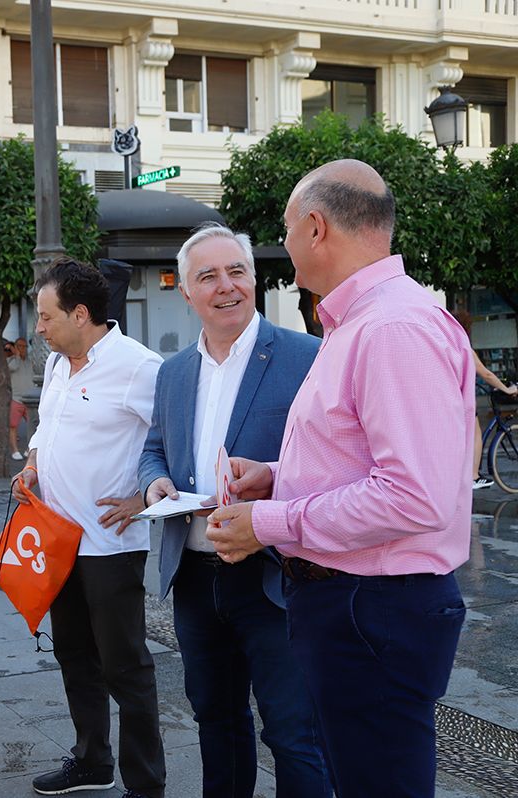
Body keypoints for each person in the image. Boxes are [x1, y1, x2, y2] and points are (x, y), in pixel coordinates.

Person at [208, 160, 475, 798]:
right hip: (355, 601)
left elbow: (416, 496)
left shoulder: (390, 328)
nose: (286, 244)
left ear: (317, 227)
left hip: (372, 604)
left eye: (287, 228)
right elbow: (358, 455)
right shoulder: (362, 322)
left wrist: (268, 522)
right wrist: (276, 477)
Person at [138, 224, 328, 798]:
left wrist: (270, 482)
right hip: (196, 578)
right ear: (186, 293)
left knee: (294, 733)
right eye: (208, 276)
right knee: (215, 721)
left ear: (254, 278)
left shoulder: (307, 356)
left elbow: (332, 462)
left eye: (236, 271)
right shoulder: (172, 373)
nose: (227, 287)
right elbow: (152, 449)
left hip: (276, 575)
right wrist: (156, 486)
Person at [13, 258, 166, 798]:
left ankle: (146, 785)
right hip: (56, 543)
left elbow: (174, 439)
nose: (38, 327)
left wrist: (141, 497)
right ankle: (91, 761)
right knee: (74, 656)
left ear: (80, 315)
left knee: (125, 668)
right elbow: (45, 427)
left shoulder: (140, 366)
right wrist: (31, 464)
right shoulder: (59, 363)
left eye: (45, 316)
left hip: (110, 545)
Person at [451, 310, 517, 489]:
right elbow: (486, 374)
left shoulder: (443, 343)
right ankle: (473, 477)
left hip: (445, 400)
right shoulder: (462, 346)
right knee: (476, 432)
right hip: (460, 399)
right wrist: (506, 388)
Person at [6, 337, 35, 460]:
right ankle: (14, 450)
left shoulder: (30, 362)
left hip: (30, 400)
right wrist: (16, 355)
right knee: (13, 426)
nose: (23, 349)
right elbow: (13, 368)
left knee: (34, 425)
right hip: (16, 399)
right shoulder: (10, 361)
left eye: (24, 346)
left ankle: (30, 449)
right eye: (19, 346)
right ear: (15, 347)